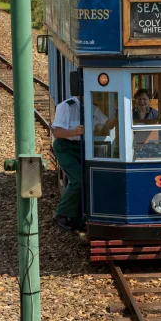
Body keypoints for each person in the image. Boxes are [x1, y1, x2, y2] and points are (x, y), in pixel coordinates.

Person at [52, 91, 116, 231]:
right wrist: (74, 132)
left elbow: (108, 125)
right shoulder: (66, 106)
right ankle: (60, 213)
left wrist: (117, 115)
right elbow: (57, 132)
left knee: (88, 180)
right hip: (65, 147)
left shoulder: (93, 108)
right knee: (78, 180)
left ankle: (77, 217)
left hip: (83, 148)